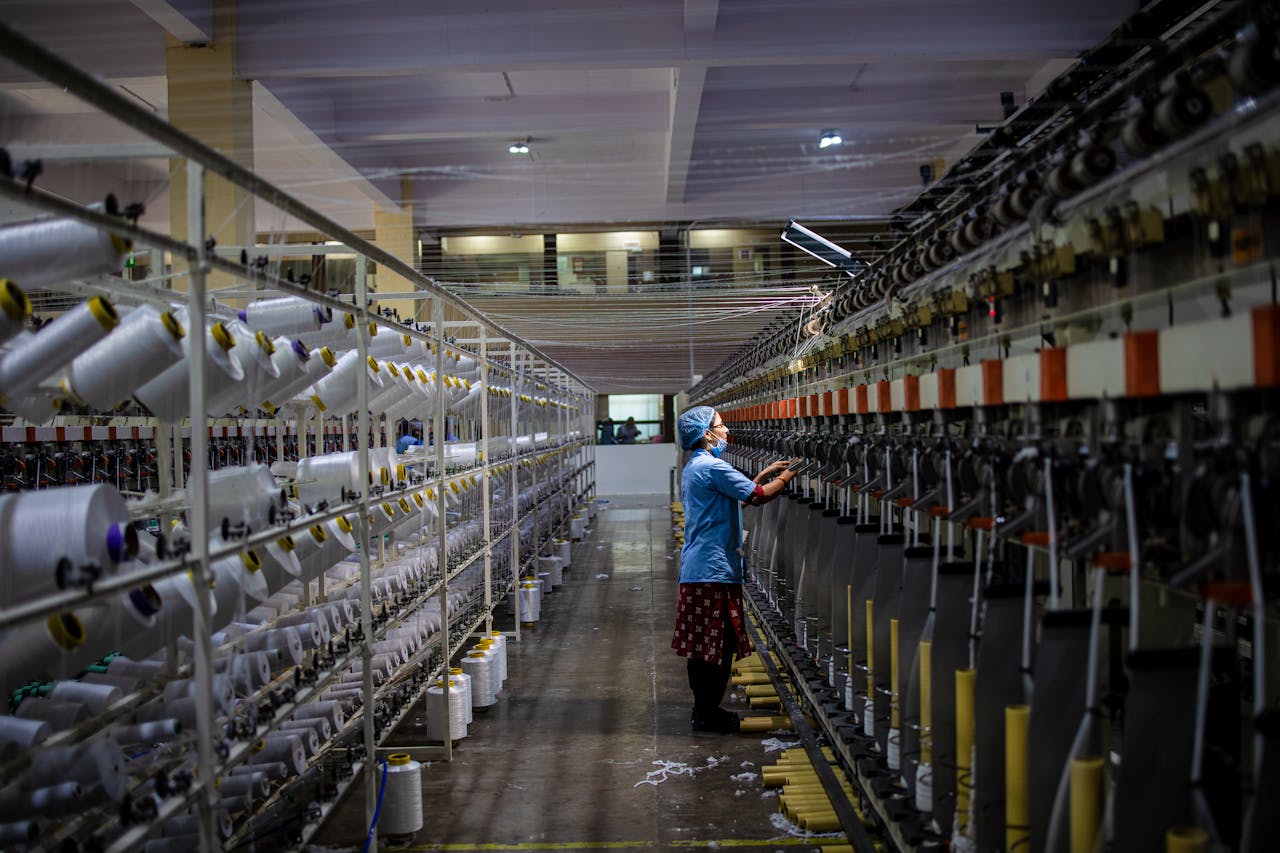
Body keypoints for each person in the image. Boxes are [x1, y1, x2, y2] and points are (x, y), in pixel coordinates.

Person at [670, 405, 797, 733]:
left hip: (699, 568)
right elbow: (756, 497)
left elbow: (737, 496)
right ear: (706, 434)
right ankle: (707, 711)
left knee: (703, 644)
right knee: (717, 644)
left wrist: (761, 476)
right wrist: (787, 476)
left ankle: (704, 708)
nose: (727, 431)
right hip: (712, 571)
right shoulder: (713, 467)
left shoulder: (695, 467)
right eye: (721, 426)